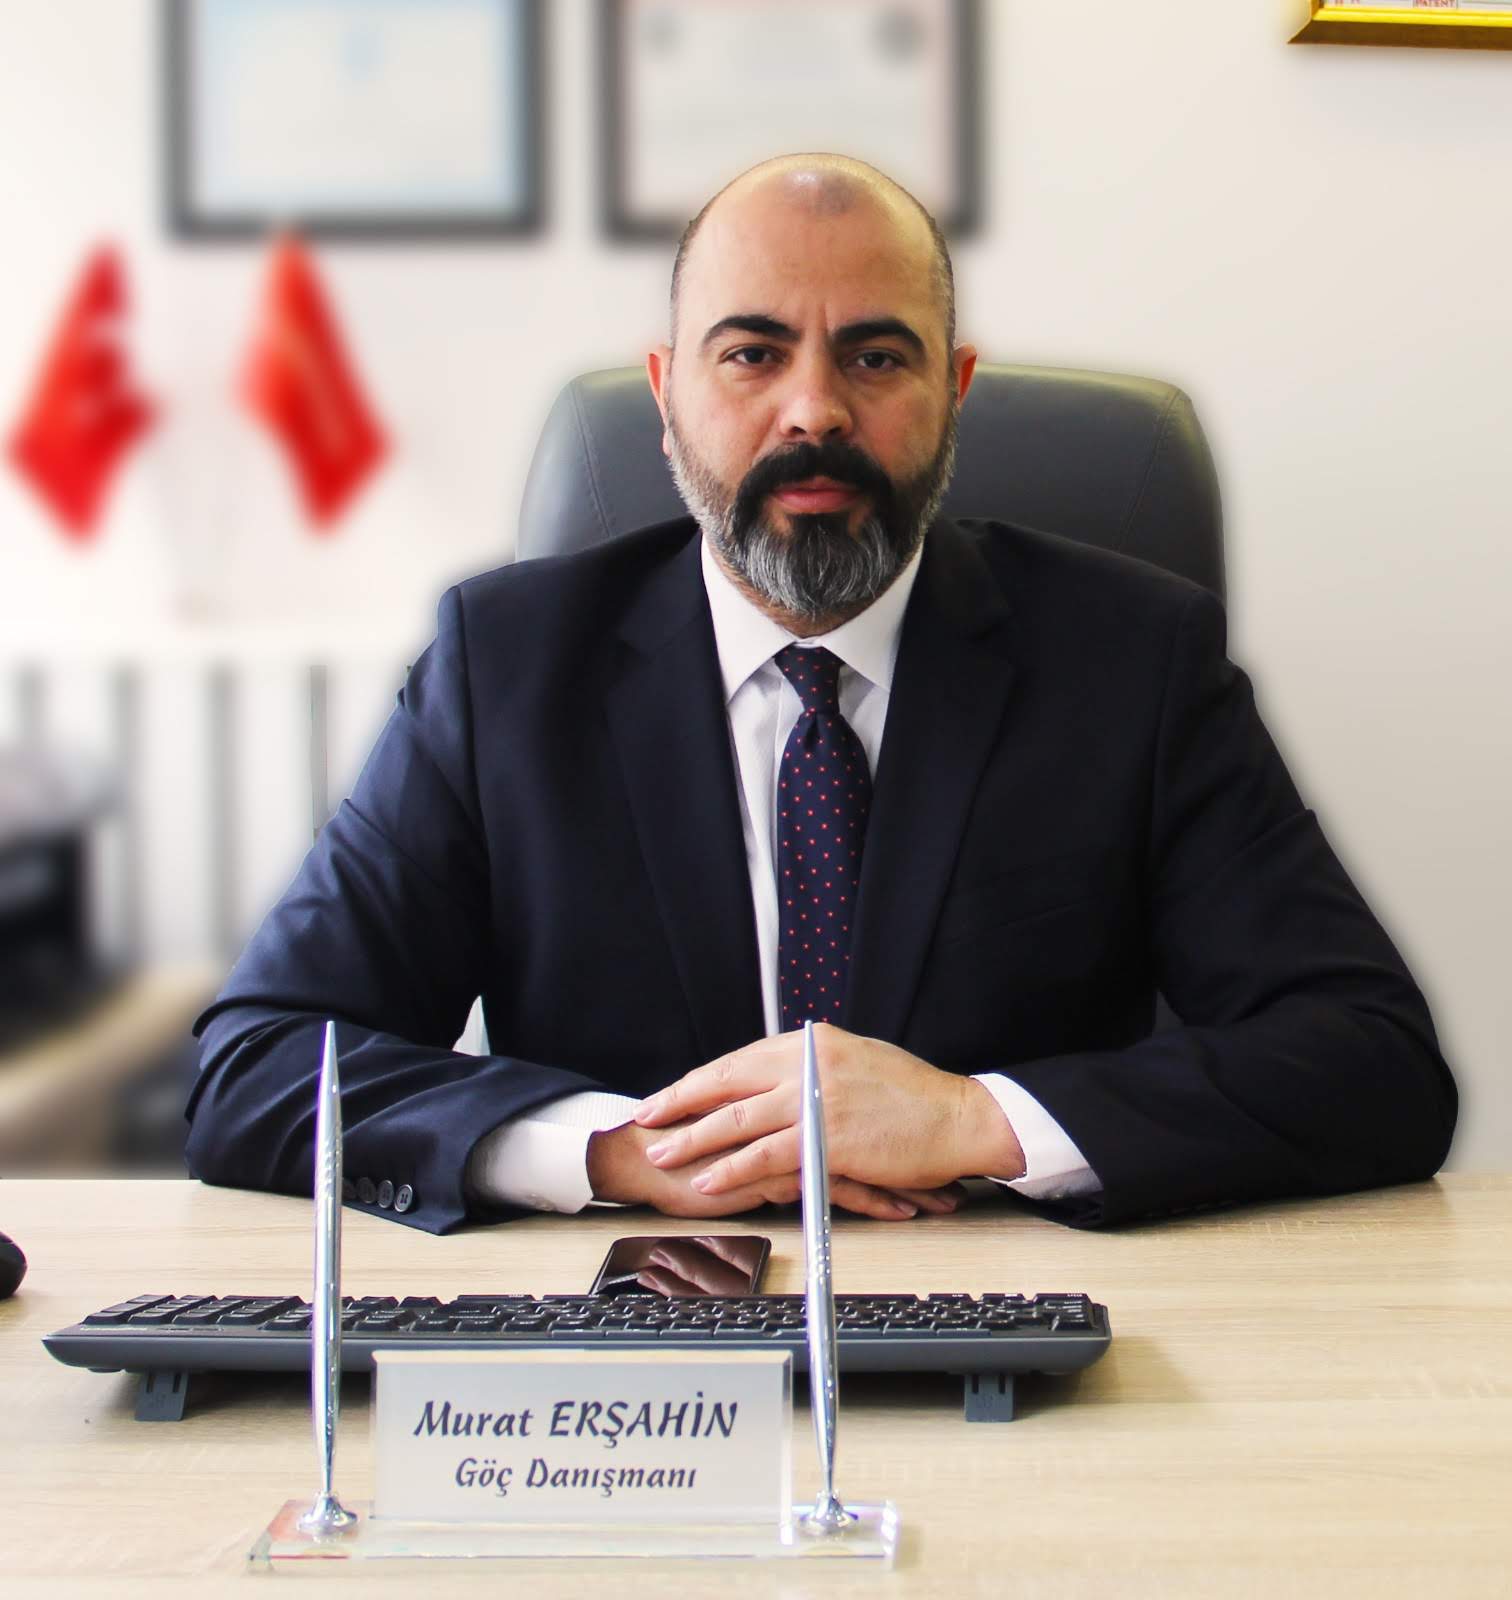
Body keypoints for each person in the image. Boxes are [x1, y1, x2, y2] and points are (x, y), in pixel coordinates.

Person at [185, 154, 1456, 1234]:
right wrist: (617, 1149)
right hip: (632, 1347)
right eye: (752, 353)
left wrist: (976, 1119)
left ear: (953, 393)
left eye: (876, 356)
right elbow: (258, 1066)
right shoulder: (505, 668)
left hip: (1018, 1319)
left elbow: (1375, 1060)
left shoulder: (1135, 663)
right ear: (667, 397)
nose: (815, 411)